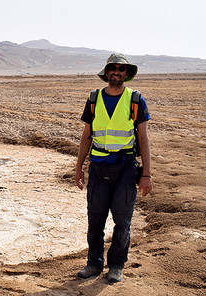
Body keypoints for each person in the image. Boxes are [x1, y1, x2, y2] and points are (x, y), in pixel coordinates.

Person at [74, 53, 153, 283]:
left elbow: (144, 138)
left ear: (126, 74)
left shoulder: (135, 100)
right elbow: (86, 136)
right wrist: (79, 167)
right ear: (107, 72)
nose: (116, 71)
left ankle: (116, 265)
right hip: (98, 167)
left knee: (123, 221)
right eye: (113, 68)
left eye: (121, 68)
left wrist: (146, 173)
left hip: (125, 169)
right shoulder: (93, 98)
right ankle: (94, 264)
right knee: (95, 220)